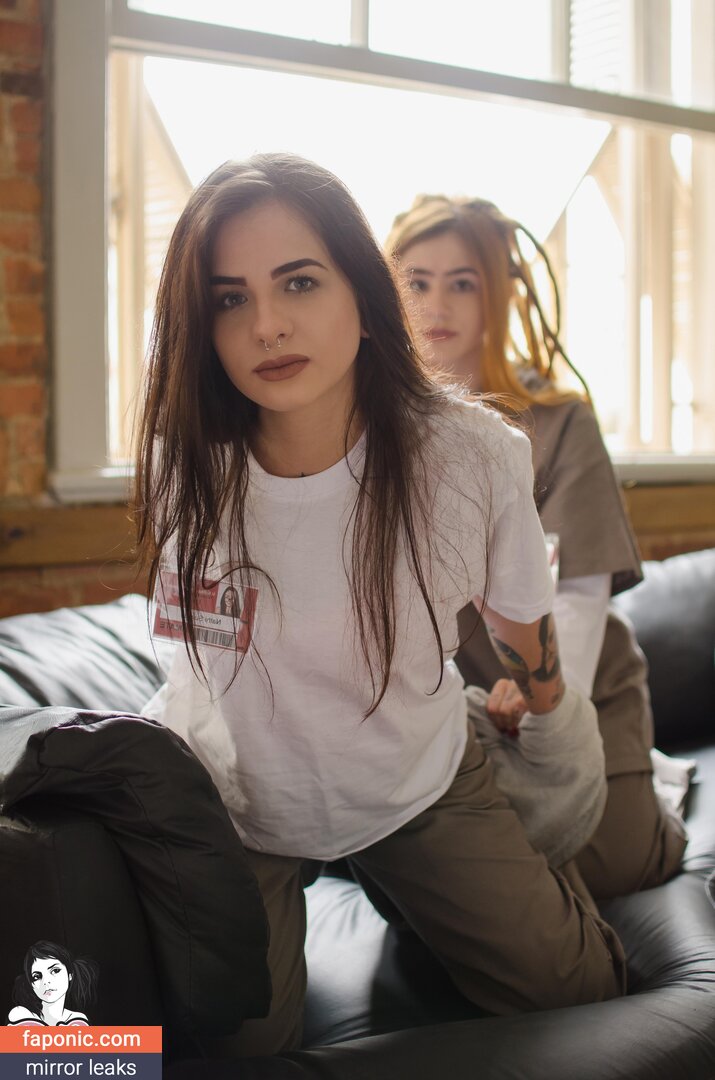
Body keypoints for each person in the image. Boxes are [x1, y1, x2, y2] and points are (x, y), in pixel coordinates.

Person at [135, 153, 625, 1058]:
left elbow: (528, 629)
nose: (267, 325)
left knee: (581, 992)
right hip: (239, 796)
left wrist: (547, 719)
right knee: (240, 1052)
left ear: (364, 297)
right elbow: (195, 642)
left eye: (298, 282)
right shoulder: (183, 459)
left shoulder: (472, 455)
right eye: (230, 299)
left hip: (417, 779)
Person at [385, 194, 688, 898]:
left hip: (575, 678)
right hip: (448, 695)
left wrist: (546, 702)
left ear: (496, 295)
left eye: (463, 283)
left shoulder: (559, 420)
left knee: (612, 865)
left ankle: (656, 791)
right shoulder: (370, 428)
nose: (438, 304)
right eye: (417, 282)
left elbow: (577, 589)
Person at [8, 941, 98, 1026]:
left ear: (70, 974)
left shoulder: (78, 1019)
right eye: (37, 977)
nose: (46, 981)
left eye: (55, 971)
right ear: (32, 985)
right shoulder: (20, 1015)